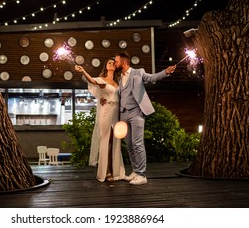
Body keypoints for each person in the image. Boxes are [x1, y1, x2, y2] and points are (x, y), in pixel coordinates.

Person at [114, 51, 176, 185]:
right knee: (129, 145)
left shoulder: (138, 72)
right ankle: (135, 172)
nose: (115, 63)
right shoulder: (119, 79)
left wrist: (166, 71)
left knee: (138, 144)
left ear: (124, 62)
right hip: (123, 113)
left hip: (136, 112)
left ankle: (142, 175)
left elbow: (152, 78)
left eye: (117, 61)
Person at [74, 59, 125, 182]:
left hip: (116, 113)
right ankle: (105, 172)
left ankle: (116, 172)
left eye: (113, 63)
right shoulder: (102, 80)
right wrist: (83, 71)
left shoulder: (118, 82)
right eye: (109, 63)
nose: (111, 64)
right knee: (105, 141)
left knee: (116, 142)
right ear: (106, 67)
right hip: (106, 111)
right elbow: (91, 80)